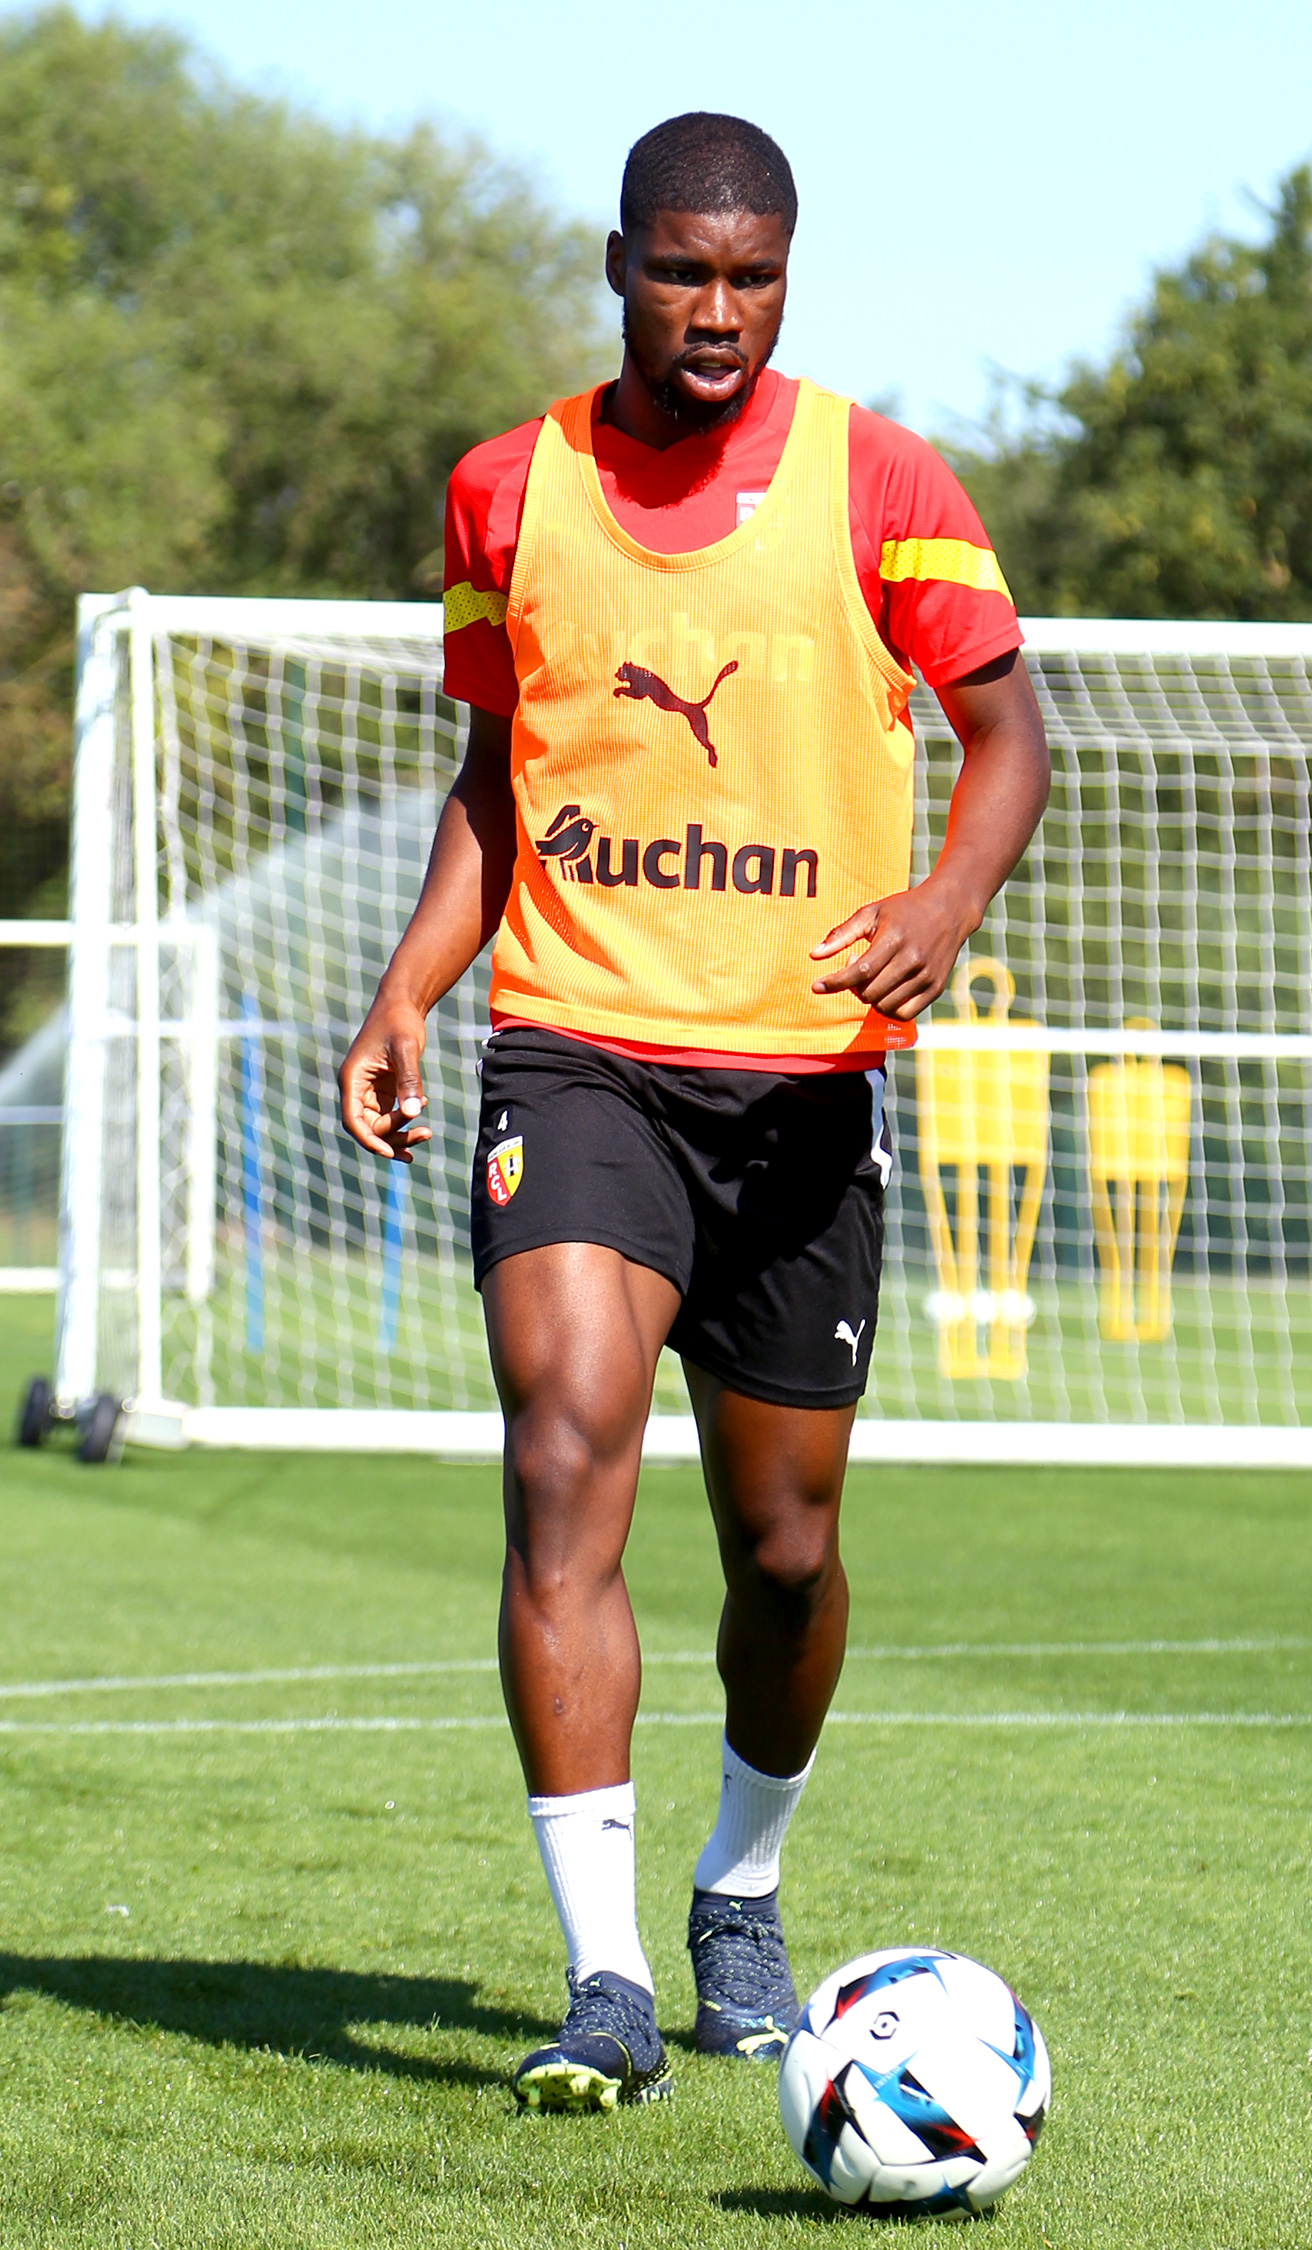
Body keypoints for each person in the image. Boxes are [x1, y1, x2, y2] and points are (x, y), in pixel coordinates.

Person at [339, 110, 1049, 2114]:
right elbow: (497, 779)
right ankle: (607, 1978)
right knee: (565, 1443)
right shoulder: (508, 491)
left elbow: (1009, 733)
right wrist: (408, 990)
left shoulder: (884, 482)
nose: (716, 310)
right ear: (621, 264)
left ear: (789, 272)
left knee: (788, 1554)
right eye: (681, 270)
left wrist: (939, 903)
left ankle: (745, 1883)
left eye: (751, 274)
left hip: (806, 1087)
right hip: (578, 1050)